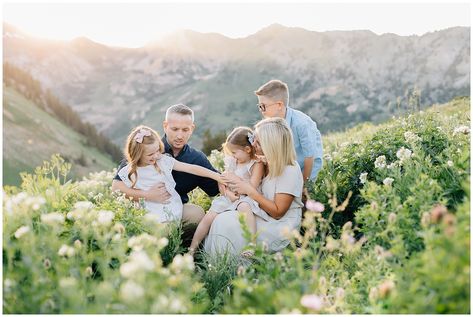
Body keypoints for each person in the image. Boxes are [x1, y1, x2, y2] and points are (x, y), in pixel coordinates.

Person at [111, 104, 220, 239]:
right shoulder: (146, 146)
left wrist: (231, 179)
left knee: (196, 213)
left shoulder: (196, 158)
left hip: (174, 208)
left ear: (192, 129)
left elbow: (215, 188)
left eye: (185, 129)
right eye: (174, 129)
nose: (180, 135)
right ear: (165, 126)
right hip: (145, 209)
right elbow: (116, 187)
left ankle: (181, 244)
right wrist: (148, 195)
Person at [204, 118, 304, 256]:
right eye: (253, 140)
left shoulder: (289, 170)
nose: (253, 144)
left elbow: (278, 212)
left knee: (228, 222)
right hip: (262, 213)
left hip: (280, 224)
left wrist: (249, 191)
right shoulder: (263, 162)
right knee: (223, 217)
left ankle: (237, 265)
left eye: (258, 142)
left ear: (271, 145)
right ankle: (220, 265)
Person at [115, 125, 223, 223]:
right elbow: (116, 188)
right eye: (150, 154)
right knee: (155, 226)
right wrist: (146, 195)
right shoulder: (130, 169)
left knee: (193, 215)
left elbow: (191, 168)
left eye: (158, 150)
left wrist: (217, 176)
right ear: (138, 154)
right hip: (148, 211)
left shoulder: (162, 161)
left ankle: (175, 236)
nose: (156, 155)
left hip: (170, 206)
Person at [188, 127, 265, 255]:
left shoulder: (256, 164)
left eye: (234, 152)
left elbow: (252, 186)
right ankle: (192, 250)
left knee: (245, 207)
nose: (232, 156)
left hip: (246, 197)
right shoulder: (233, 162)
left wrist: (236, 181)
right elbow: (222, 181)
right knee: (208, 217)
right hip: (229, 197)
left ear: (247, 149)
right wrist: (227, 193)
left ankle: (251, 243)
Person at [254, 79, 323, 187]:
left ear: (279, 105)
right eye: (259, 106)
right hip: (285, 169)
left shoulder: (301, 123)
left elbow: (310, 157)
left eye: (263, 106)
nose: (261, 111)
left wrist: (304, 184)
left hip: (306, 170)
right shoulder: (270, 124)